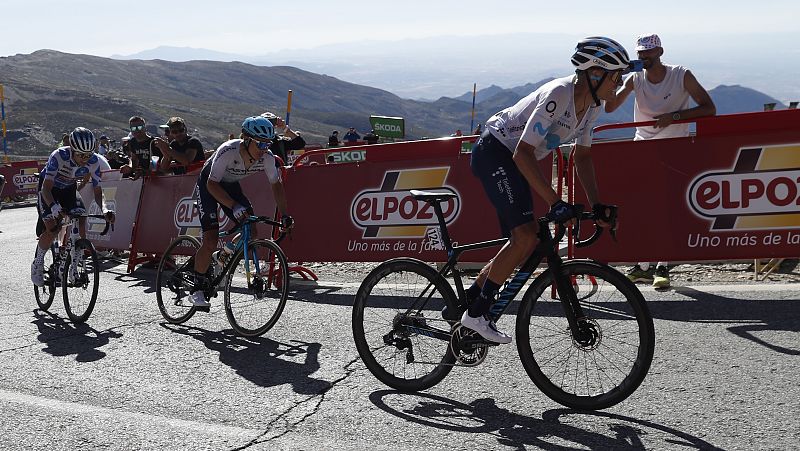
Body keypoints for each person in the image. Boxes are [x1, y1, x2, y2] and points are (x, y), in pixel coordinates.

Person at [459, 37, 637, 344]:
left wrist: (596, 204)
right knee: (525, 236)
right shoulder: (559, 94)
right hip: (495, 152)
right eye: (615, 76)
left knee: (524, 239)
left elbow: (582, 157)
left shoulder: (592, 107)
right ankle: (476, 316)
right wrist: (555, 202)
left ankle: (470, 300)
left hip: (515, 159)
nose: (619, 84)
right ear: (595, 74)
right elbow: (522, 154)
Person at [604, 33, 716, 289]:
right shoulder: (635, 78)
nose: (644, 56)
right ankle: (644, 266)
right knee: (643, 208)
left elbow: (709, 108)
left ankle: (661, 265)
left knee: (665, 208)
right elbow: (610, 107)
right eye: (641, 52)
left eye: (649, 51)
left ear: (660, 52)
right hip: (643, 148)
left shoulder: (681, 75)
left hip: (673, 149)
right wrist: (615, 79)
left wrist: (674, 117)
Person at [187, 116, 294, 307]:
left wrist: (285, 215)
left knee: (251, 230)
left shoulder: (267, 157)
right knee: (210, 239)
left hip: (230, 186)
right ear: (246, 139)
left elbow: (276, 186)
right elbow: (212, 184)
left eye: (268, 144)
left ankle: (223, 255)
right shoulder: (228, 150)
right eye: (260, 144)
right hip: (209, 185)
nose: (264, 149)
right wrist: (233, 205)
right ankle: (197, 289)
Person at [31, 127, 115, 286]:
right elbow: (46, 188)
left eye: (88, 155)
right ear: (72, 149)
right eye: (81, 155)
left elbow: (98, 192)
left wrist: (105, 209)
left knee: (81, 216)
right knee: (53, 228)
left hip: (69, 189)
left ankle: (74, 266)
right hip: (49, 190)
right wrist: (54, 207)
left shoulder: (94, 162)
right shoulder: (59, 156)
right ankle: (38, 262)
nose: (85, 159)